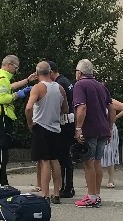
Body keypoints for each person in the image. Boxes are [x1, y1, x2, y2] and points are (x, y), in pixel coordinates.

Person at [0, 55, 36, 189]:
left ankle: (2, 183)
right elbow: (2, 98)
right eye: (15, 67)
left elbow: (9, 86)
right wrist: (18, 95)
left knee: (0, 151)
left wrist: (26, 81)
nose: (16, 70)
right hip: (0, 116)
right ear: (9, 64)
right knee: (1, 153)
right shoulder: (2, 78)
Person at [71, 59, 113, 208]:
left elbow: (81, 107)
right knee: (97, 162)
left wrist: (78, 128)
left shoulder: (80, 85)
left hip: (89, 129)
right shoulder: (101, 86)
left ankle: (91, 196)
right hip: (103, 129)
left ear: (80, 72)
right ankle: (96, 195)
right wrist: (110, 127)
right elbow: (112, 108)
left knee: (88, 162)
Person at [25, 61, 69, 203]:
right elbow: (66, 109)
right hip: (55, 127)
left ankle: (44, 194)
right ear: (50, 72)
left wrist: (30, 123)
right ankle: (56, 193)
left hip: (41, 126)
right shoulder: (60, 88)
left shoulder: (38, 87)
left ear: (37, 73)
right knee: (55, 160)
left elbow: (28, 107)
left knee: (44, 161)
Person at [48, 61, 76, 199]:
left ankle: (66, 188)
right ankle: (67, 186)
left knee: (63, 156)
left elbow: (61, 105)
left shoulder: (60, 84)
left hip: (64, 123)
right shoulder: (65, 81)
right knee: (65, 156)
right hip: (69, 121)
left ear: (51, 72)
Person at [101, 99, 123, 188]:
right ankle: (96, 179)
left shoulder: (110, 101)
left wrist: (115, 117)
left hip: (110, 128)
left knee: (110, 152)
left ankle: (110, 179)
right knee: (96, 154)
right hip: (100, 128)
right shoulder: (95, 100)